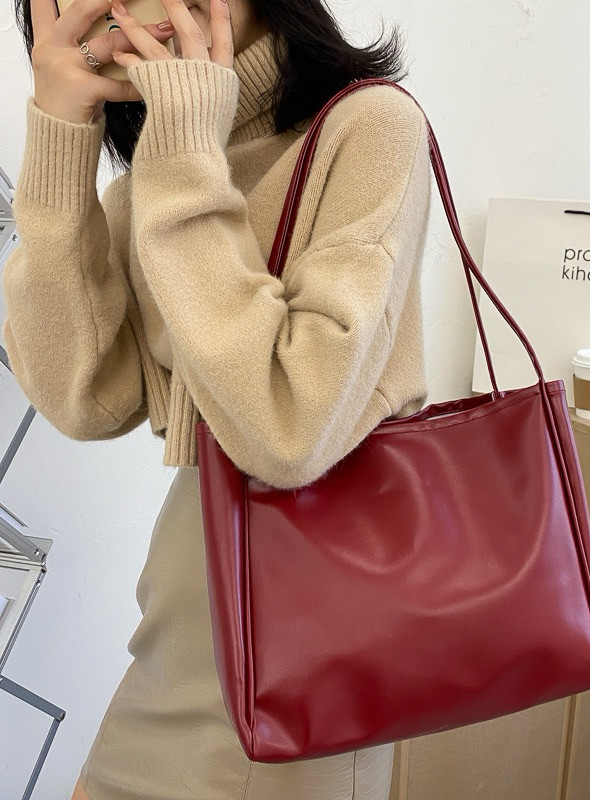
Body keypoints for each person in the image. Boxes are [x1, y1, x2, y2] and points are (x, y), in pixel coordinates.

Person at [4, 0, 432, 796]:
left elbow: (290, 430)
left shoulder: (368, 126)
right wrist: (59, 140)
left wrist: (185, 152)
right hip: (178, 634)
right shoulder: (161, 179)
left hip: (306, 655)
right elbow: (84, 398)